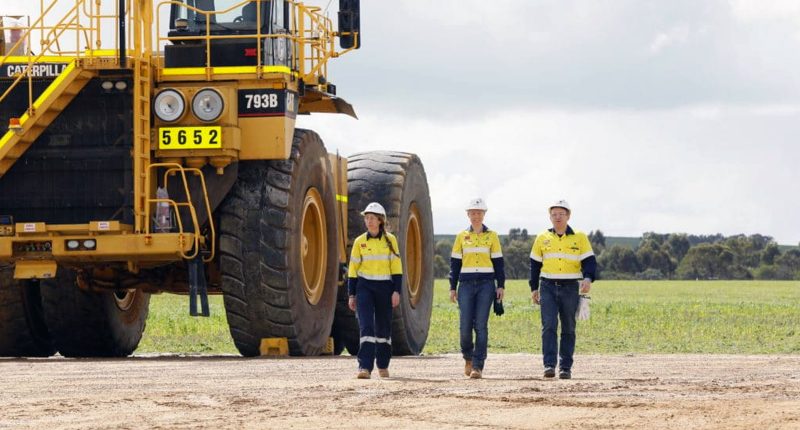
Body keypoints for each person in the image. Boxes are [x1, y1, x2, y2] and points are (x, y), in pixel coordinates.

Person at [529, 199, 596, 379]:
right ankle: (549, 365)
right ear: (550, 217)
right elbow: (534, 265)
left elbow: (589, 262)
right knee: (549, 326)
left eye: (561, 214)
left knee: (568, 328)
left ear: (568, 216)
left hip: (570, 287)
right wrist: (533, 288)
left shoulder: (579, 237)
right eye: (554, 214)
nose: (558, 217)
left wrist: (588, 278)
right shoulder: (542, 238)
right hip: (547, 287)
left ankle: (565, 367)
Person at [449, 197, 505, 379]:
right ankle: (468, 357)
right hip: (465, 284)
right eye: (472, 213)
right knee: (465, 325)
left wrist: (501, 285)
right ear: (468, 215)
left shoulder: (492, 236)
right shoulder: (461, 237)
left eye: (479, 213)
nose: (476, 216)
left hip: (486, 285)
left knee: (481, 325)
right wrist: (452, 287)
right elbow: (455, 264)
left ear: (484, 214)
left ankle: (478, 366)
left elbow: (499, 263)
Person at [347, 202, 403, 379]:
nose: (369, 221)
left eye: (372, 218)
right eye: (367, 218)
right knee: (366, 327)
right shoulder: (359, 242)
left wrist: (396, 291)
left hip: (385, 288)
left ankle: (383, 364)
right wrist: (351, 294)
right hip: (364, 287)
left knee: (383, 328)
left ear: (380, 221)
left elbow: (397, 268)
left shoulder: (391, 241)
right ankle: (364, 367)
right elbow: (353, 270)